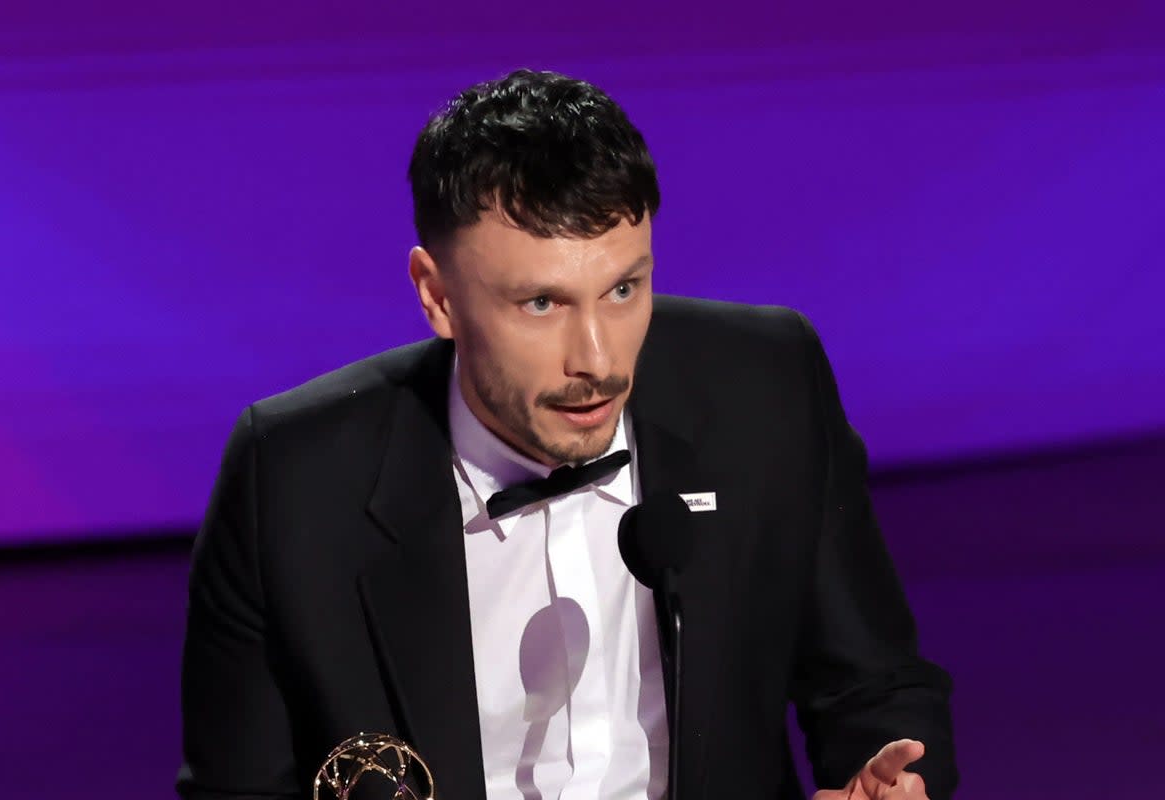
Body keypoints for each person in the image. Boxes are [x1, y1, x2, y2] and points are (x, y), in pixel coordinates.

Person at [178, 69, 957, 800]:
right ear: (437, 296)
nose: (598, 360)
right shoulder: (293, 479)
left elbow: (873, 685)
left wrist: (887, 773)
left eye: (623, 289)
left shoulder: (764, 387)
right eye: (541, 305)